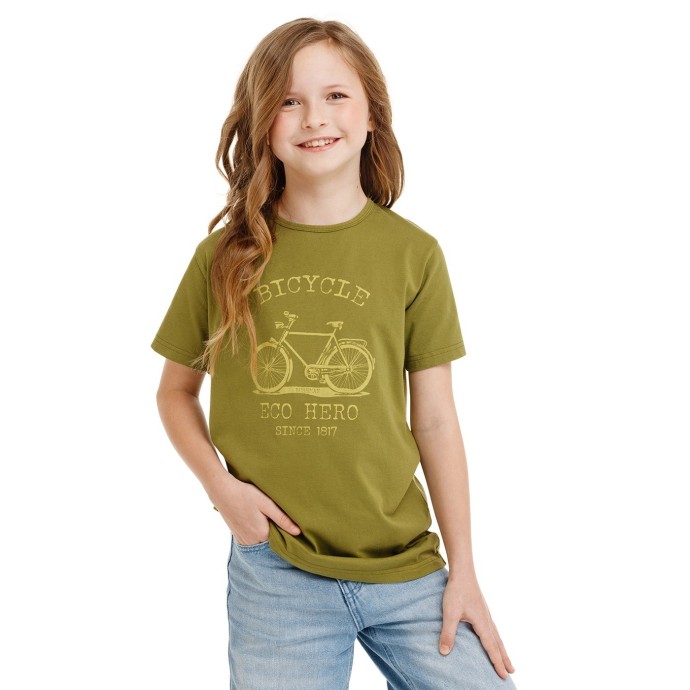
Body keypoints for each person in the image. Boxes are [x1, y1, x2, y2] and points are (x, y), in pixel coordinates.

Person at [152, 17, 517, 689]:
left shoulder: (414, 254)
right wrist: (221, 490)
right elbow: (175, 392)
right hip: (278, 572)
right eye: (289, 100)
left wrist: (464, 571)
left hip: (405, 567)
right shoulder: (224, 258)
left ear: (372, 114)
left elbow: (436, 419)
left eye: (335, 96)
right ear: (263, 123)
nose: (314, 117)